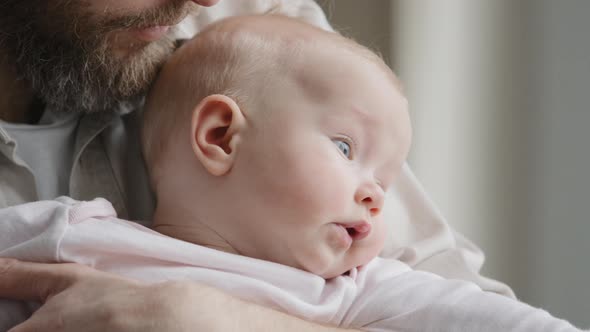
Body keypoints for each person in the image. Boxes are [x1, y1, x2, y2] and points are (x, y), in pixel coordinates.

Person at [1, 15, 583, 332]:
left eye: (385, 176)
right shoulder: (75, 234)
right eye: (344, 148)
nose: (379, 197)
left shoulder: (358, 290)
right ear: (220, 137)